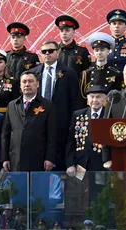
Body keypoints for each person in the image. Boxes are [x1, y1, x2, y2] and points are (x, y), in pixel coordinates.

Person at [30, 40, 79, 170]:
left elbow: (75, 101)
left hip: (61, 123)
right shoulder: (33, 73)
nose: (47, 54)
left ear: (58, 52)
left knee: (59, 160)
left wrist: (73, 123)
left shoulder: (69, 73)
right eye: (44, 51)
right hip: (37, 121)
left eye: (50, 51)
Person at [1, 71, 57, 172]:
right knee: (17, 187)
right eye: (24, 82)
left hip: (38, 159)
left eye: (31, 81)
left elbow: (52, 135)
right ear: (20, 85)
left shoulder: (48, 105)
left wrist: (50, 158)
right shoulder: (12, 105)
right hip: (15, 160)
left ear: (38, 84)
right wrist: (4, 158)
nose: (27, 84)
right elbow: (6, 134)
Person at [66, 86, 108, 175]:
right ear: (88, 99)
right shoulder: (78, 115)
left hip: (101, 166)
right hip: (81, 164)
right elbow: (71, 142)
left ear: (105, 99)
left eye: (98, 97)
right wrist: (70, 164)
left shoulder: (109, 115)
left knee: (99, 188)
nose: (94, 100)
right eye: (92, 96)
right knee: (80, 188)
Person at [80, 32, 124, 104]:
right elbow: (82, 96)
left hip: (109, 109)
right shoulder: (86, 73)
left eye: (102, 50)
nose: (99, 53)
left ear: (108, 51)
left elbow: (118, 97)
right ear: (93, 52)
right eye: (96, 50)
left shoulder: (116, 73)